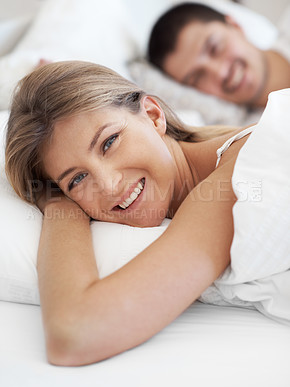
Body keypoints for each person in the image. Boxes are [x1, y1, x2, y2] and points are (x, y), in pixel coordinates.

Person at [5, 60, 254, 366]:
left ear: (152, 115)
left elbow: (75, 333)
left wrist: (56, 202)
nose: (108, 186)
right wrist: (60, 202)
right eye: (78, 179)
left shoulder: (239, 172)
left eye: (109, 142)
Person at [148, 2, 290, 108]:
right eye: (198, 77)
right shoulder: (250, 140)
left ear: (234, 24)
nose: (221, 73)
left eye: (215, 48)